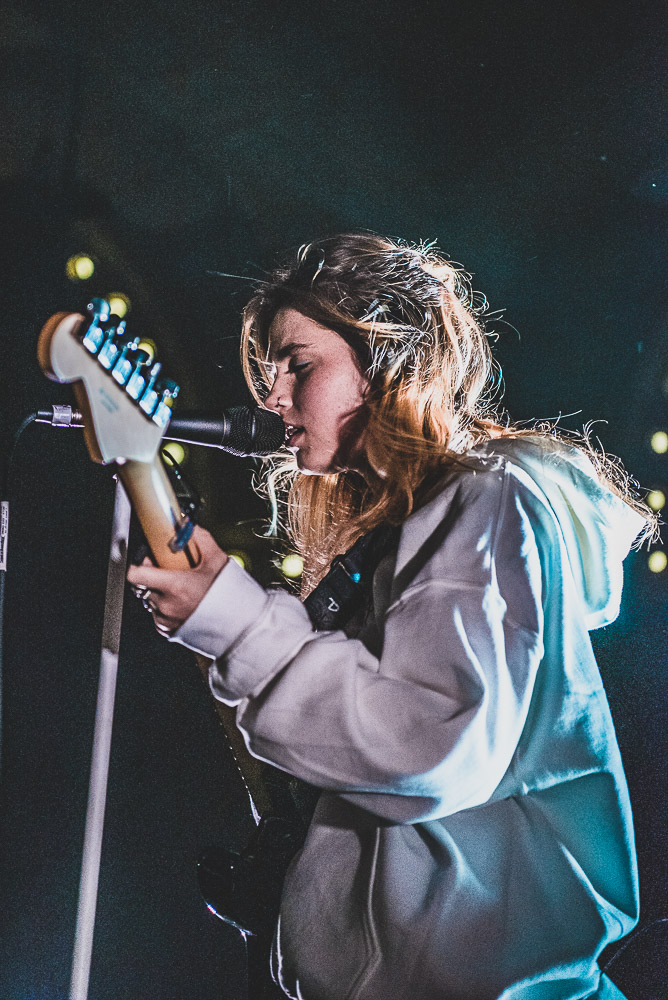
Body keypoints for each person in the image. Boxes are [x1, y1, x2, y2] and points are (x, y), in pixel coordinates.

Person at [128, 233, 654, 999]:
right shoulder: (397, 539)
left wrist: (239, 625)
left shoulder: (487, 499)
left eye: (298, 366)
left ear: (383, 365)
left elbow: (432, 743)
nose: (272, 398)